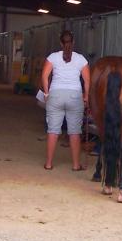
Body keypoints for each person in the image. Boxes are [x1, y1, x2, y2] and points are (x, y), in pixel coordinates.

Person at [40, 30, 90, 171]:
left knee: (53, 131)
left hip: (55, 96)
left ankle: (49, 164)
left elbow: (44, 76)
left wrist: (46, 92)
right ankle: (75, 165)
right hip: (75, 97)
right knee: (74, 132)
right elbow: (87, 81)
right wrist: (86, 96)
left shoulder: (52, 57)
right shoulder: (81, 59)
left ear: (61, 43)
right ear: (73, 42)